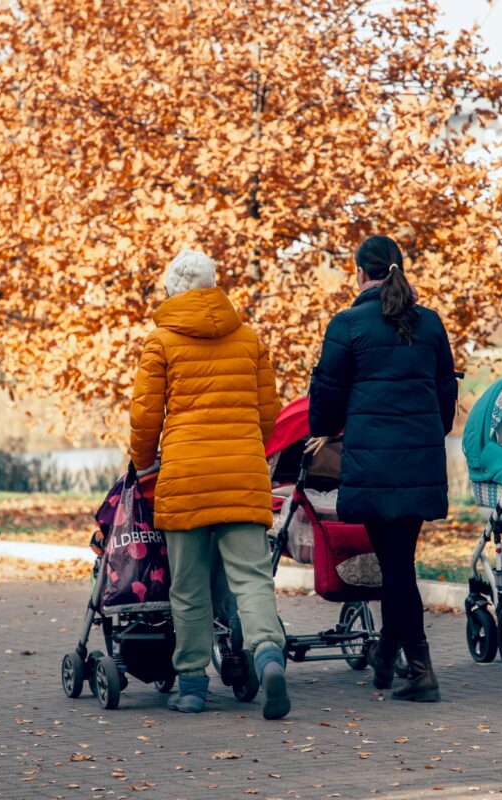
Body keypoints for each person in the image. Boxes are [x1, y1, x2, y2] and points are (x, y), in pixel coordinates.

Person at [129, 250, 290, 719]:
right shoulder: (249, 339)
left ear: (172, 291)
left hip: (185, 477)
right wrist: (246, 448)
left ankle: (194, 685)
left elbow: (145, 416)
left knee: (189, 587)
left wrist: (143, 465)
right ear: (213, 284)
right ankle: (267, 656)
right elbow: (268, 414)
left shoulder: (160, 342)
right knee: (252, 579)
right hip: (242, 474)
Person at [306, 235, 458, 703]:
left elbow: (326, 399)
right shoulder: (429, 324)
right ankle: (387, 656)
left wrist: (327, 429)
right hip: (418, 459)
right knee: (399, 562)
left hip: (373, 462)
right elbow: (445, 396)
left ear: (359, 274)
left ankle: (421, 669)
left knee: (395, 568)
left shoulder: (348, 325)